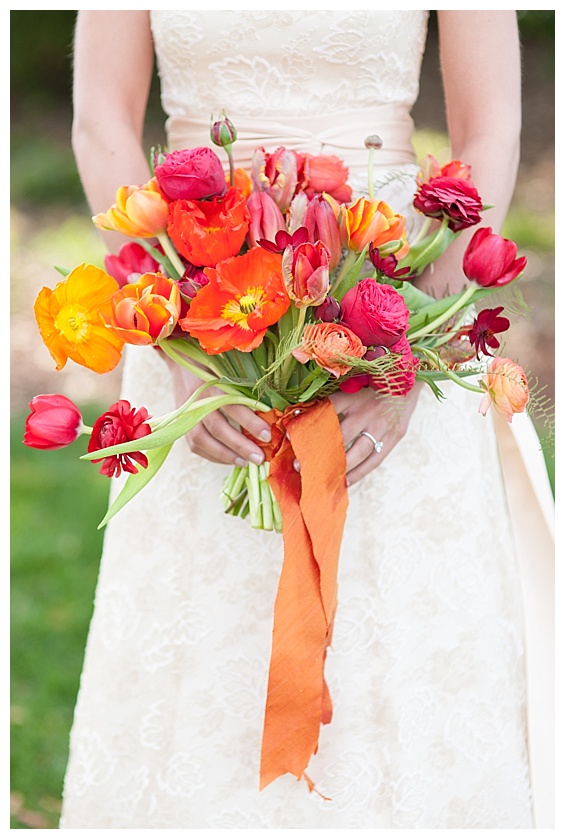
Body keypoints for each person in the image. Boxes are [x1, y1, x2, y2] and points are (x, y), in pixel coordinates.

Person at [60, 10, 554, 828]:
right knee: (207, 646)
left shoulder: (402, 321)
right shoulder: (182, 324)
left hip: (388, 276)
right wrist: (183, 345)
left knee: (386, 638)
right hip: (189, 273)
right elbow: (100, 120)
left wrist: (410, 354)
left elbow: (490, 125)